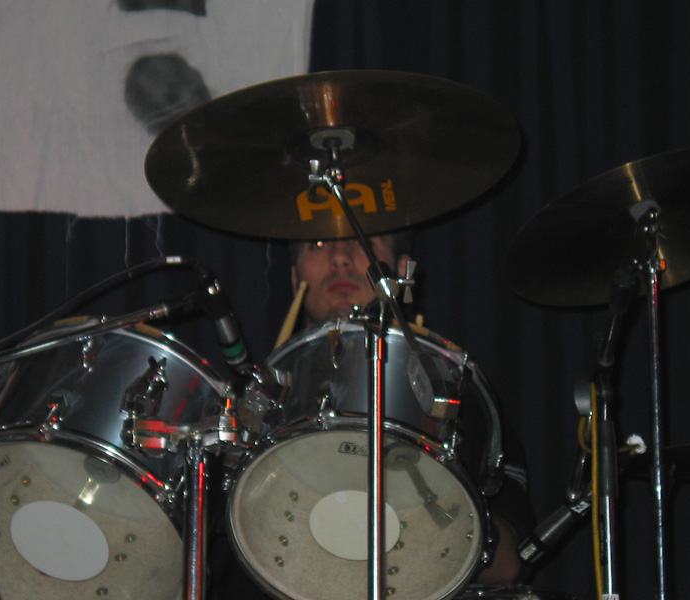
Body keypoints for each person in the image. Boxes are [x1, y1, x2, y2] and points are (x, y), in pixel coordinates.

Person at [208, 232, 534, 597]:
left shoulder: (456, 395)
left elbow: (507, 564)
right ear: (295, 277)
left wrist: (429, 501)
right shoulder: (238, 413)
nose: (340, 258)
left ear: (401, 271)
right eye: (317, 245)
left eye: (366, 244)